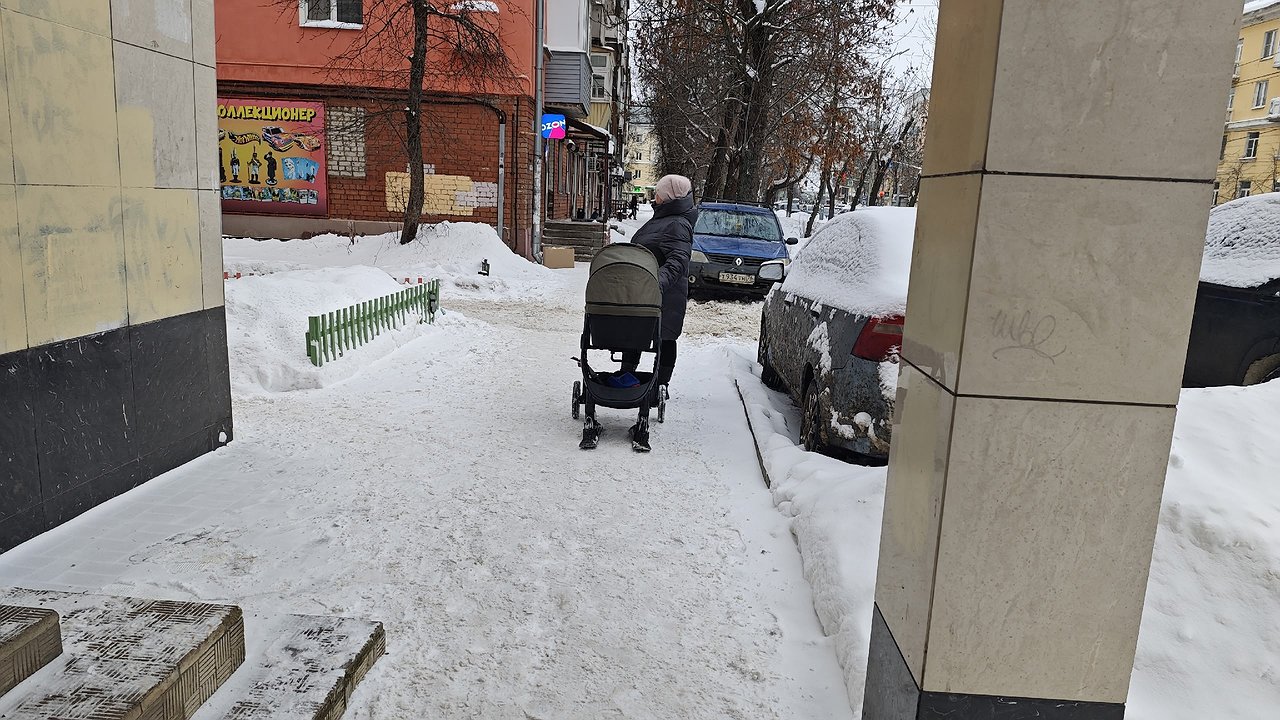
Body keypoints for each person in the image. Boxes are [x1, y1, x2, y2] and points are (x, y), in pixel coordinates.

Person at [621, 174, 696, 404]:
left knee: (665, 338)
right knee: (636, 334)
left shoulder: (678, 223)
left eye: (659, 193)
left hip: (663, 296)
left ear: (669, 196)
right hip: (648, 293)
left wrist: (652, 284)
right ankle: (626, 377)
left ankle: (660, 386)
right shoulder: (666, 217)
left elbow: (677, 262)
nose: (655, 197)